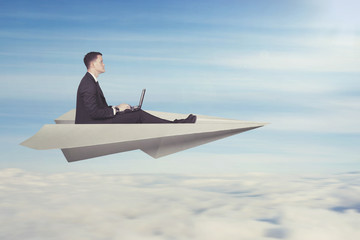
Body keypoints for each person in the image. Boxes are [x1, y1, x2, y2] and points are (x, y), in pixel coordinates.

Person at [75, 52, 196, 124]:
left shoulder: (91, 81)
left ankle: (175, 123)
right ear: (93, 64)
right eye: (101, 62)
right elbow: (94, 113)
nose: (104, 64)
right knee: (138, 115)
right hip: (93, 124)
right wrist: (116, 110)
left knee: (136, 112)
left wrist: (117, 107)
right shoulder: (88, 84)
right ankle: (176, 124)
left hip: (97, 121)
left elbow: (97, 108)